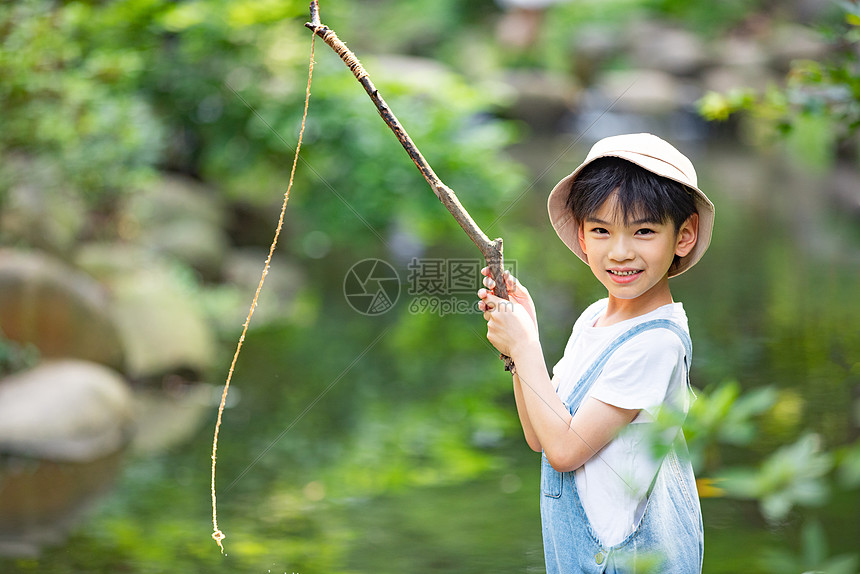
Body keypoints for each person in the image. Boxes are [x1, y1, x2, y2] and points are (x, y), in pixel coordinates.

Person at [477, 133, 714, 573]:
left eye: (644, 231)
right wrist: (521, 343)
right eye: (601, 230)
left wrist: (526, 346)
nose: (620, 252)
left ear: (683, 236)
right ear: (583, 237)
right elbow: (542, 439)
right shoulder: (592, 319)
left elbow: (568, 450)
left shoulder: (656, 342)